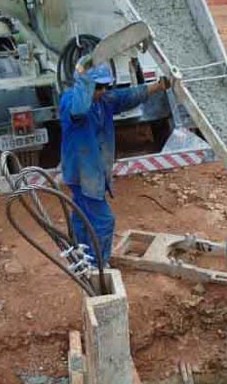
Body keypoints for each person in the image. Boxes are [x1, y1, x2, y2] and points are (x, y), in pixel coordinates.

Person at [60, 57, 171, 262]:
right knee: (104, 221)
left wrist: (158, 86)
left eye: (105, 86)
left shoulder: (103, 101)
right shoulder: (71, 103)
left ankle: (79, 254)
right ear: (86, 86)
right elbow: (79, 109)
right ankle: (97, 266)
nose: (102, 91)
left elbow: (126, 96)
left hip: (92, 173)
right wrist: (83, 78)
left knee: (82, 215)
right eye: (98, 87)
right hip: (82, 174)